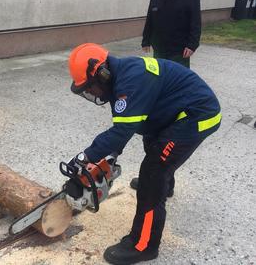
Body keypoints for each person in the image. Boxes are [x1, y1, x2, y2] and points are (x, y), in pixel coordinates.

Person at [67, 43, 221, 264]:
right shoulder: (120, 78)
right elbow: (124, 128)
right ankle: (165, 185)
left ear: (102, 73)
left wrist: (84, 157)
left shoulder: (131, 80)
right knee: (153, 144)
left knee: (153, 171)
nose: (91, 93)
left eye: (90, 87)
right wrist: (108, 157)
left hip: (197, 114)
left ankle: (144, 245)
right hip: (173, 112)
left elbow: (120, 132)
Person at [141, 0, 201, 68]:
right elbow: (150, 18)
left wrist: (192, 45)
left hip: (179, 51)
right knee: (159, 76)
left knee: (179, 77)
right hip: (159, 48)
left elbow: (196, 22)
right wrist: (145, 40)